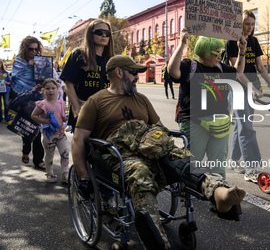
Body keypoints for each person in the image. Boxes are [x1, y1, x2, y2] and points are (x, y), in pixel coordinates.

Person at [72, 55, 246, 250]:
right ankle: (157, 241)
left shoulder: (141, 99)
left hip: (151, 145)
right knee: (141, 174)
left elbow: (160, 127)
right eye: (134, 72)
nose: (138, 77)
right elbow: (79, 140)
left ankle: (219, 193)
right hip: (121, 155)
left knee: (184, 159)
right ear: (119, 73)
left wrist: (169, 145)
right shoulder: (96, 101)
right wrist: (83, 176)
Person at [167, 28, 248, 178]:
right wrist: (181, 43)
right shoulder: (190, 66)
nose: (220, 56)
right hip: (195, 122)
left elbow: (238, 73)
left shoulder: (221, 69)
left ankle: (218, 199)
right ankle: (189, 196)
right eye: (217, 53)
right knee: (193, 164)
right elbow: (173, 71)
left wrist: (241, 51)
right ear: (206, 51)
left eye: (221, 52)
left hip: (220, 124)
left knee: (218, 165)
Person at [225, 10, 270, 181]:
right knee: (246, 128)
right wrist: (252, 88)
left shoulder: (254, 41)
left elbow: (260, 67)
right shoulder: (231, 42)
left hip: (253, 89)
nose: (250, 27)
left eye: (253, 24)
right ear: (240, 24)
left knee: (242, 126)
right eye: (247, 24)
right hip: (237, 89)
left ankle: (233, 160)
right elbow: (237, 71)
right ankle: (250, 167)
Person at [59, 19, 115, 128]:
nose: (103, 35)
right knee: (82, 144)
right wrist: (78, 110)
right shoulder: (79, 54)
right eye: (99, 32)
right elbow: (69, 86)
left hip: (105, 113)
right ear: (91, 34)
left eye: (107, 33)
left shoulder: (111, 59)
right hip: (83, 110)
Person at [11, 36, 45, 169]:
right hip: (23, 98)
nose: (34, 52)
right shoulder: (19, 61)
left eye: (36, 49)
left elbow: (45, 77)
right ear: (25, 48)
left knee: (36, 127)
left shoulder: (40, 60)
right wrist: (28, 65)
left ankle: (38, 159)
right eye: (31, 49)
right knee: (28, 126)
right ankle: (26, 150)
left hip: (38, 97)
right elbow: (15, 76)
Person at [31, 79, 69, 183]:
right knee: (49, 155)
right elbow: (33, 115)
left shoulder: (61, 103)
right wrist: (43, 120)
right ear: (43, 90)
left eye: (53, 88)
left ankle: (65, 174)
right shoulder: (42, 104)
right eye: (47, 88)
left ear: (57, 90)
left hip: (61, 135)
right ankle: (50, 173)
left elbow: (63, 116)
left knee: (65, 153)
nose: (50, 91)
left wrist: (65, 118)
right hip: (49, 136)